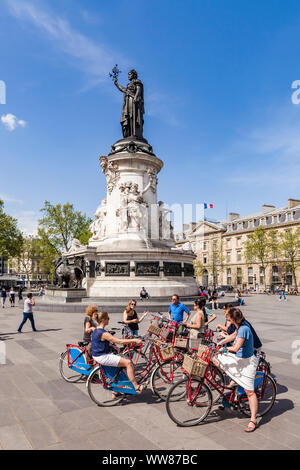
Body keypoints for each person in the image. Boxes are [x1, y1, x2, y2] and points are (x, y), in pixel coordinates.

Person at [213, 307, 259, 433]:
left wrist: (225, 348)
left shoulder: (244, 328)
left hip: (248, 362)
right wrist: (221, 343)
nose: (227, 318)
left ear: (234, 319)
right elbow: (232, 336)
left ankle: (253, 419)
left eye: (229, 317)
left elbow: (236, 347)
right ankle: (233, 388)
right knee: (216, 359)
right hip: (240, 358)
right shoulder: (240, 326)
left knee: (250, 392)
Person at [91, 311, 145, 396]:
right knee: (128, 363)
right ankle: (136, 386)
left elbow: (100, 342)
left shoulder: (97, 329)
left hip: (99, 355)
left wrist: (113, 346)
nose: (109, 319)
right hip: (102, 356)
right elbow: (119, 341)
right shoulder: (103, 333)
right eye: (108, 318)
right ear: (104, 320)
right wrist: (134, 340)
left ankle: (116, 391)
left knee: (120, 365)